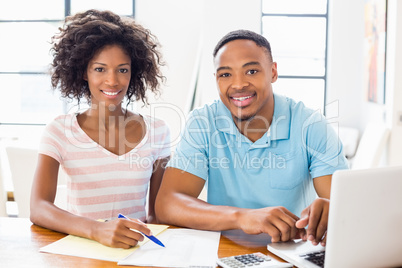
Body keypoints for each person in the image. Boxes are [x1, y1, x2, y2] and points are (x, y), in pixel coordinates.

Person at [155, 29, 349, 247]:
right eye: (225, 74)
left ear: (273, 72)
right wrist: (243, 217)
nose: (238, 85)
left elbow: (344, 206)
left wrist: (331, 209)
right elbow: (167, 204)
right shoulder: (202, 122)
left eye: (251, 71)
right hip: (223, 250)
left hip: (290, 251)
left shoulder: (311, 125)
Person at [30, 9, 170, 249]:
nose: (113, 81)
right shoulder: (59, 131)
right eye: (100, 69)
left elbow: (158, 214)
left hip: (135, 252)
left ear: (133, 73)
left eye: (122, 69)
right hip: (79, 250)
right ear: (83, 71)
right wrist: (96, 230)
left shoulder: (158, 131)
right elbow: (38, 207)